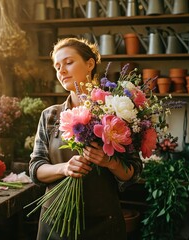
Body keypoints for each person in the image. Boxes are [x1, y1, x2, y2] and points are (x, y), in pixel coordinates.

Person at [29, 38, 142, 240]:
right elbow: (36, 169)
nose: (61, 71)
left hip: (103, 224)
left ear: (90, 64)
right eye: (57, 66)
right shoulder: (50, 116)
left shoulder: (117, 110)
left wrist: (109, 162)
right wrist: (64, 168)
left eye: (68, 62)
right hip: (56, 224)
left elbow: (133, 172)